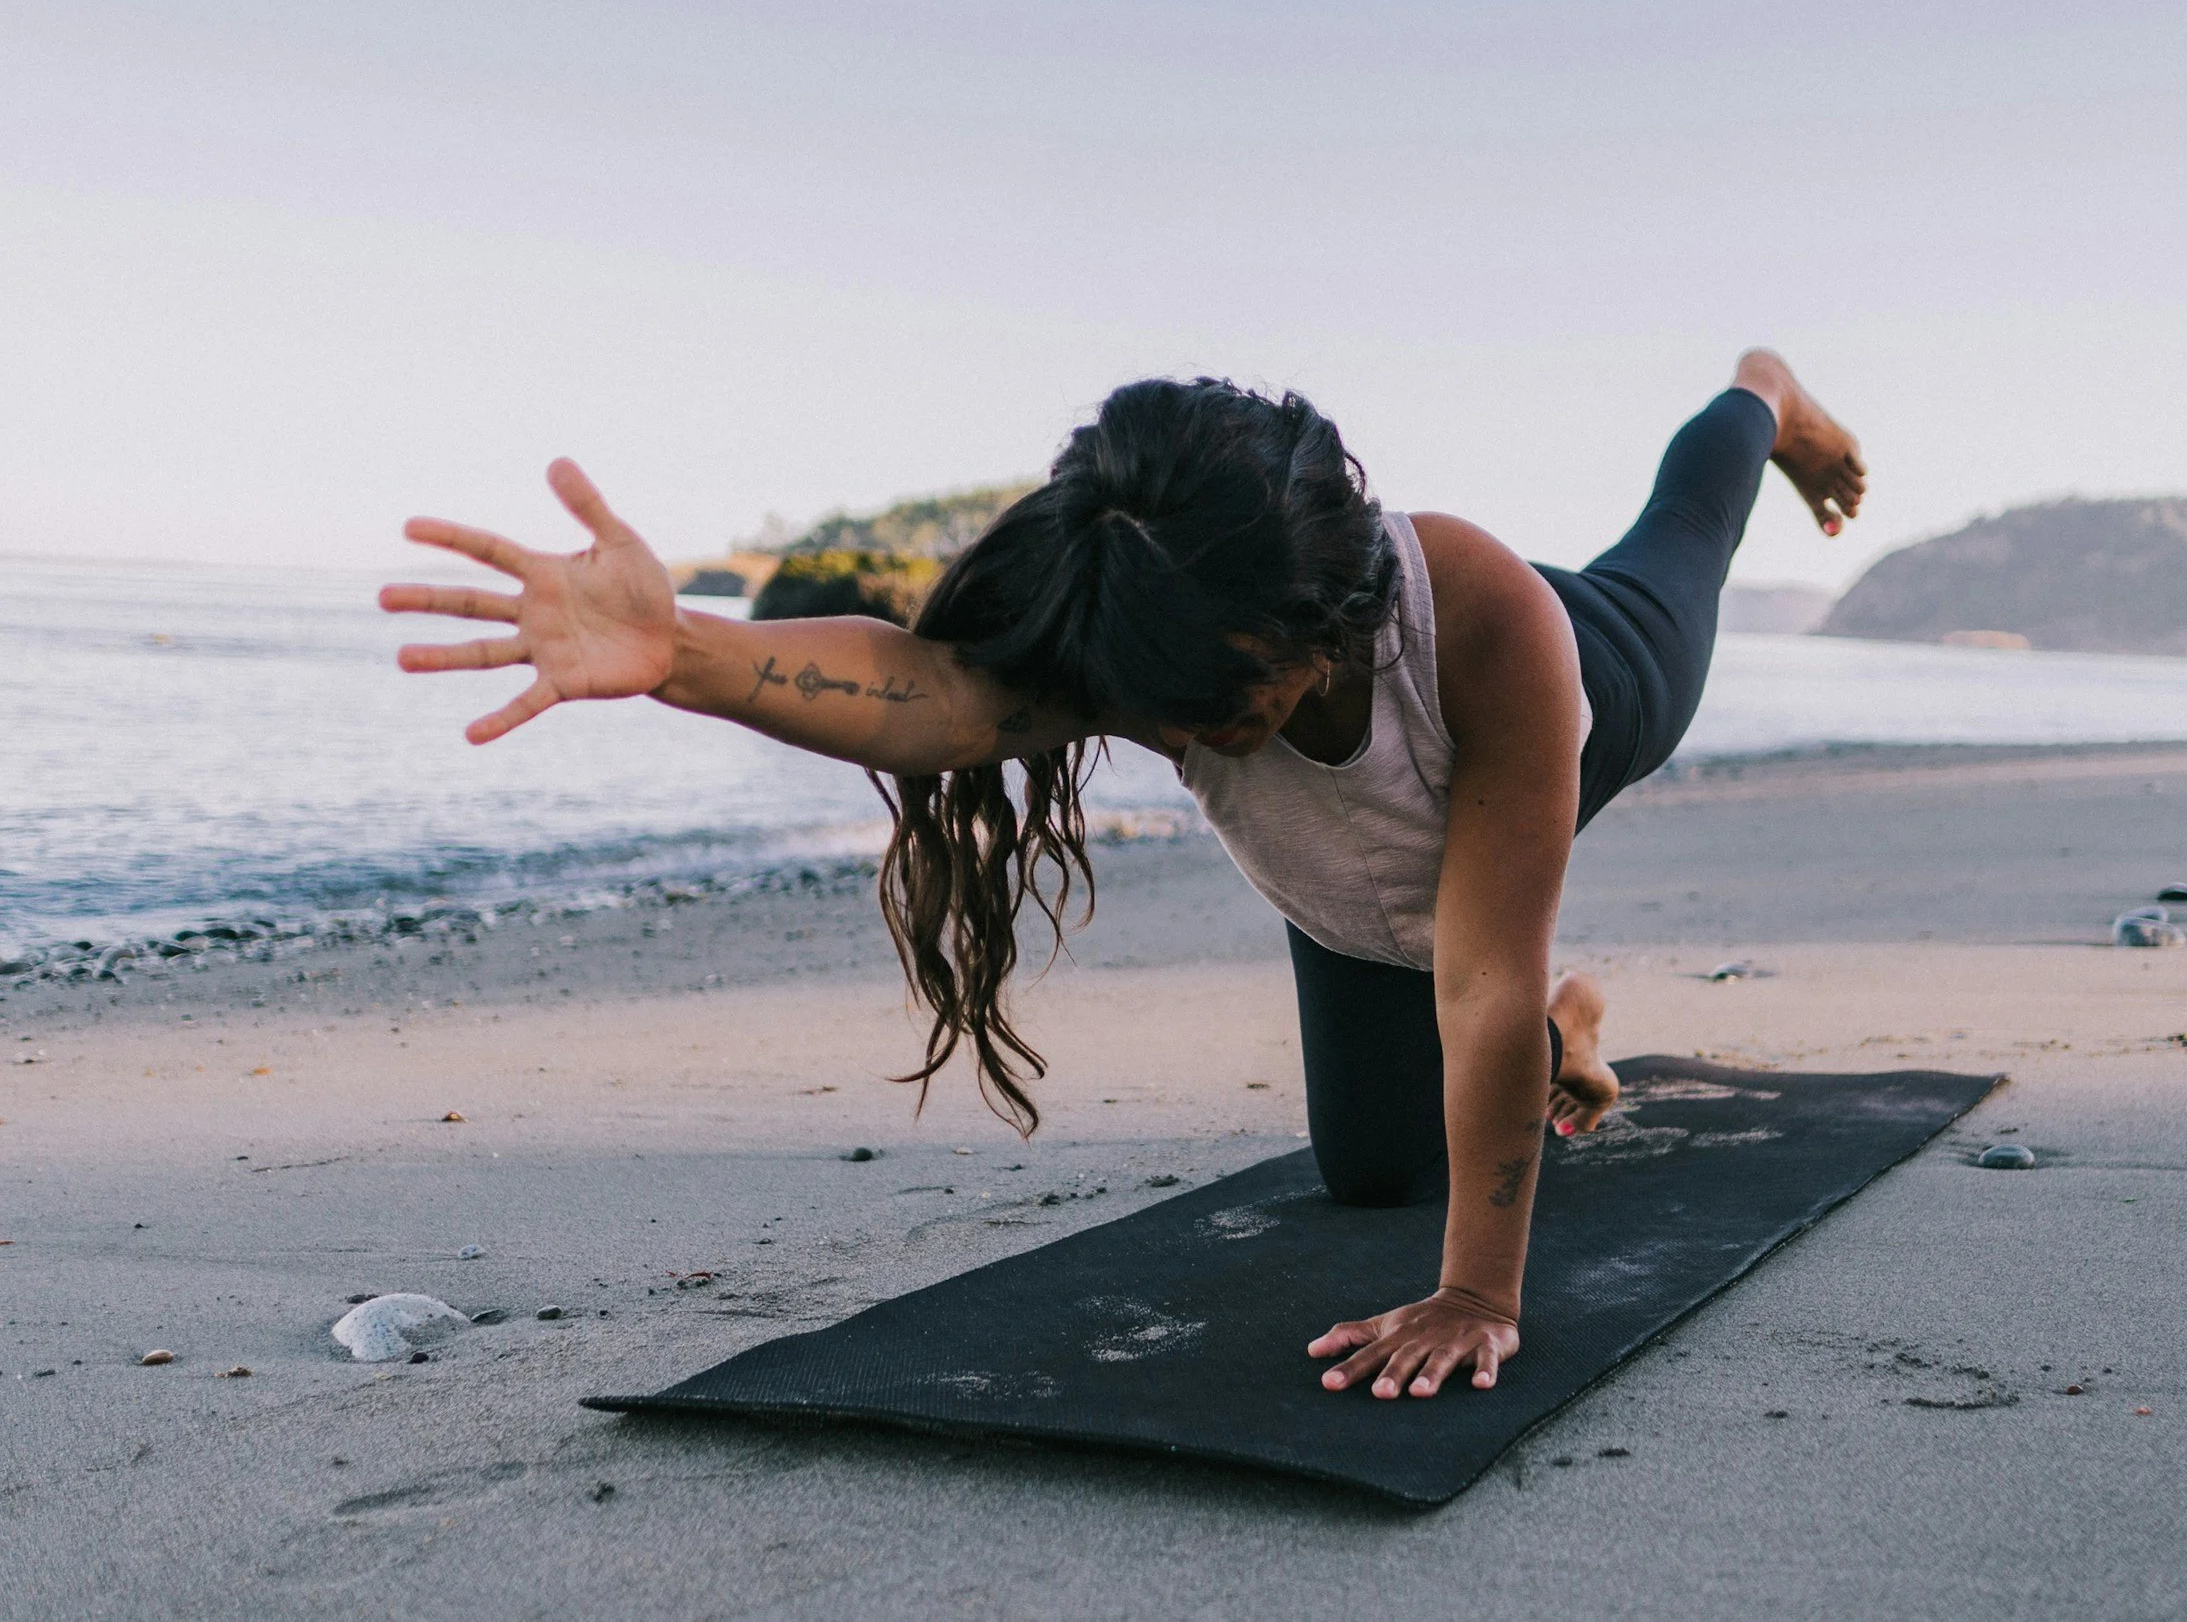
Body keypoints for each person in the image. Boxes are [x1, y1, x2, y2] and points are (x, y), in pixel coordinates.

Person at [380, 349, 1865, 1404]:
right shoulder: (1152, 632)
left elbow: (1478, 980)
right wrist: (685, 654)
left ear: (1329, 616)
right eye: (1167, 716)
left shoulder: (1484, 624)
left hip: (1592, 684)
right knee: (1366, 1173)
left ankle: (1759, 391)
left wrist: (1480, 1290)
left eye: (1232, 703)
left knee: (1679, 543)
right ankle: (1578, 1027)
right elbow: (942, 697)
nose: (1195, 738)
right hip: (1356, 893)